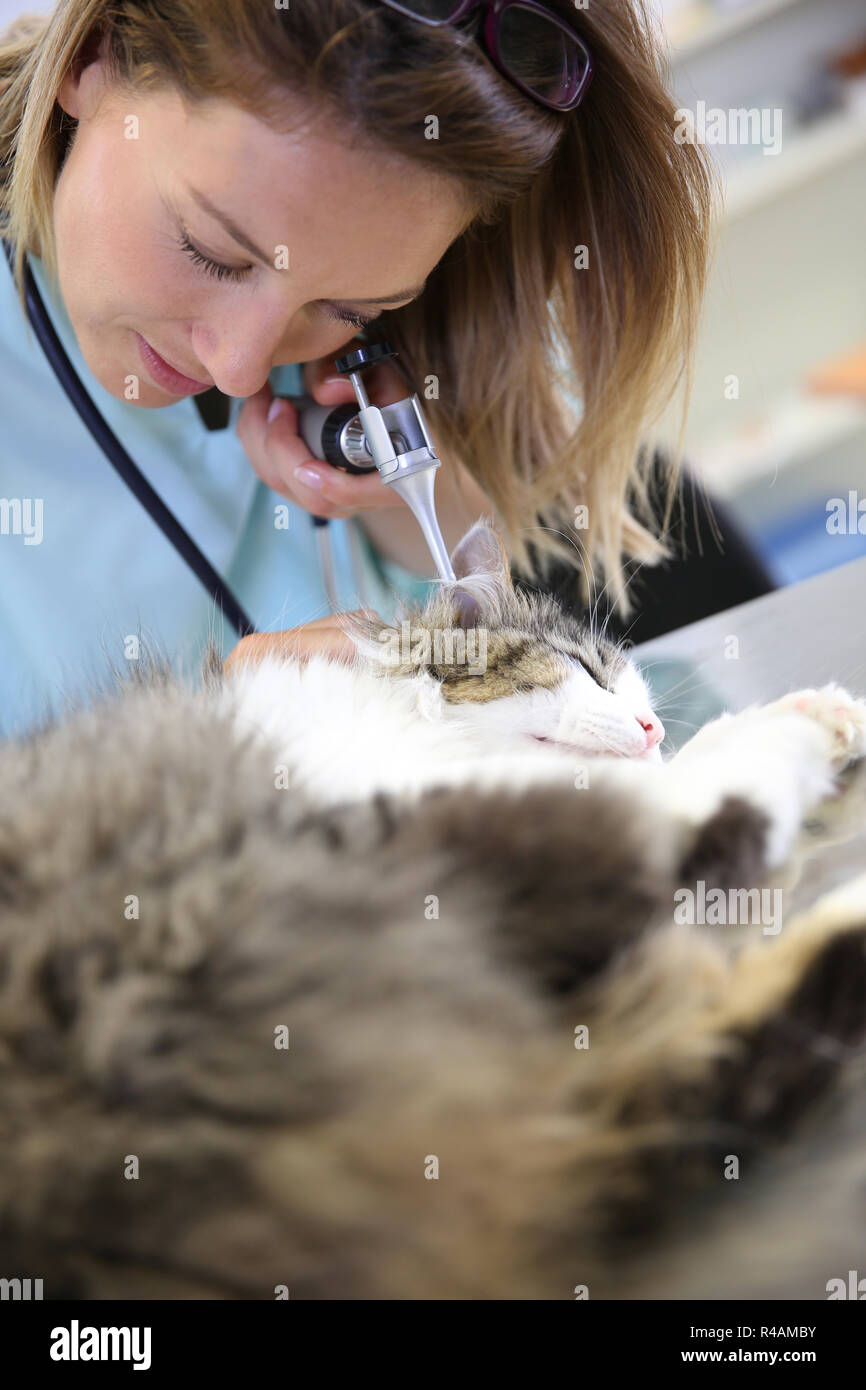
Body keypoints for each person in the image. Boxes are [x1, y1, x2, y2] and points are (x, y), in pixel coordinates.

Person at [0, 0, 714, 738]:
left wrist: (412, 493)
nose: (239, 368)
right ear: (91, 58)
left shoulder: (409, 348)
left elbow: (501, 527)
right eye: (210, 250)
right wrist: (212, 737)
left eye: (349, 308)